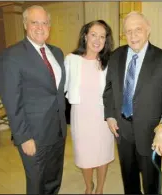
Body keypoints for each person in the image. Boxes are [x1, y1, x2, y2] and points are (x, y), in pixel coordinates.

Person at [103, 11, 162, 194]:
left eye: (138, 29)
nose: (133, 35)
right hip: (123, 129)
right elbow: (109, 89)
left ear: (148, 30)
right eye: (128, 31)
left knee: (151, 182)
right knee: (129, 180)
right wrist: (110, 116)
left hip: (150, 133)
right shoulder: (116, 56)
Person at [0, 5, 67, 194]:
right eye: (34, 22)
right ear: (25, 25)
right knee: (37, 183)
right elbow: (12, 101)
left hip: (58, 131)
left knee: (54, 179)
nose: (40, 27)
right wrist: (24, 137)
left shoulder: (57, 53)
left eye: (44, 23)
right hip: (33, 135)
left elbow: (57, 91)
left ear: (49, 26)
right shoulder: (12, 56)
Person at [64, 20, 114, 194]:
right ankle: (88, 186)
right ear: (85, 36)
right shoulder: (71, 60)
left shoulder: (109, 62)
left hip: (103, 117)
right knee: (84, 155)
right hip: (81, 116)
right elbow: (60, 86)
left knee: (102, 154)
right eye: (93, 34)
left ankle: (99, 188)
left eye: (102, 36)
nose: (97, 40)